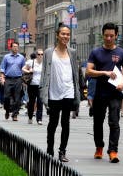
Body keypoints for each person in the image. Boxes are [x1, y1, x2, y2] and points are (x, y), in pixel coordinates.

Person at [86, 22, 123, 163]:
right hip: (100, 93)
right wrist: (104, 72)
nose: (109, 38)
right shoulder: (95, 52)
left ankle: (113, 151)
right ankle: (99, 147)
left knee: (114, 122)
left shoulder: (122, 53)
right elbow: (88, 71)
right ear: (102, 35)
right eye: (106, 35)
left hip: (115, 93)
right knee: (97, 122)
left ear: (116, 35)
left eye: (112, 36)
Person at [40, 24, 81, 162]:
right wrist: (43, 91)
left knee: (66, 123)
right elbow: (44, 74)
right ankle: (50, 149)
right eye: (63, 34)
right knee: (53, 123)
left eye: (68, 34)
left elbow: (76, 73)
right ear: (57, 35)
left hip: (68, 91)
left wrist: (77, 91)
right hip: (53, 92)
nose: (66, 36)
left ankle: (62, 151)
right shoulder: (48, 52)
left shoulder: (73, 52)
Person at [0, 41, 27, 121]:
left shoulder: (21, 58)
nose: (15, 48)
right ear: (11, 47)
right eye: (14, 46)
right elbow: (2, 68)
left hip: (18, 79)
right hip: (8, 79)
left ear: (18, 48)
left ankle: (15, 114)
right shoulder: (6, 57)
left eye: (16, 46)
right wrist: (2, 78)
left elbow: (23, 69)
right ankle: (7, 111)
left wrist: (24, 80)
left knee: (17, 98)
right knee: (6, 97)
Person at [24, 49, 44, 124]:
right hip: (32, 85)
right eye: (39, 54)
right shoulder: (31, 62)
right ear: (36, 55)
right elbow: (23, 68)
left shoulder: (44, 63)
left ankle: (39, 119)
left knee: (40, 102)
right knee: (31, 102)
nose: (40, 56)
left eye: (42, 54)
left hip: (41, 86)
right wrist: (29, 71)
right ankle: (30, 117)